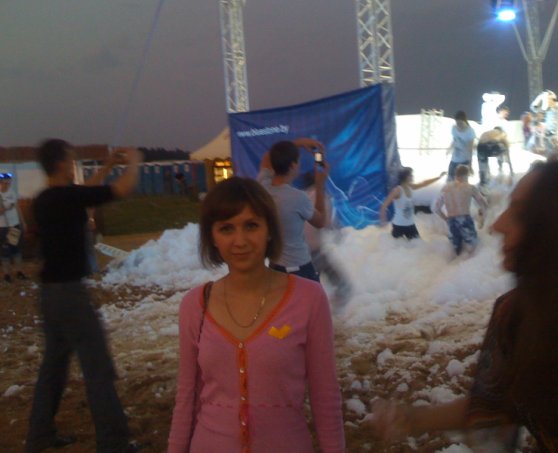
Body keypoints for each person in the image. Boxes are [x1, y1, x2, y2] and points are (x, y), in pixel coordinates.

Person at [373, 160, 558, 451]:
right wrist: (413, 419)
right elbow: (494, 404)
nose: (497, 225)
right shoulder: (514, 314)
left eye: (519, 213)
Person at [168, 177, 345, 453]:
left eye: (251, 225)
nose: (240, 241)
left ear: (270, 230)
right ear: (212, 237)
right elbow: (186, 398)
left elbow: (325, 397)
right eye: (226, 228)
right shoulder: (195, 305)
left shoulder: (308, 299)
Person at [26, 139, 145, 453]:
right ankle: (114, 443)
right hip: (70, 296)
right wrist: (134, 161)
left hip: (49, 295)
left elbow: (82, 194)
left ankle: (39, 436)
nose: (74, 163)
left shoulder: (45, 200)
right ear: (61, 163)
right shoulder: (67, 198)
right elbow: (122, 189)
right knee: (97, 368)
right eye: (71, 159)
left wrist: (107, 166)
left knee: (53, 368)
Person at [257, 138, 328, 281]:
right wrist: (319, 184)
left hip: (274, 265)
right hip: (299, 267)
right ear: (293, 165)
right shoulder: (297, 197)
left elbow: (267, 157)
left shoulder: (262, 187)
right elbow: (320, 222)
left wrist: (298, 143)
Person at [300, 172, 352, 309]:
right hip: (314, 251)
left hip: (298, 252)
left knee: (306, 286)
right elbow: (326, 222)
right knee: (343, 285)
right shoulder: (321, 197)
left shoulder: (299, 197)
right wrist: (338, 231)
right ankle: (332, 311)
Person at [434, 165, 487, 257]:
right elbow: (484, 204)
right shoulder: (470, 187)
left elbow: (436, 208)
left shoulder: (445, 188)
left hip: (451, 221)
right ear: (466, 175)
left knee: (456, 251)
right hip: (465, 220)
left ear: (456, 175)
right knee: (473, 250)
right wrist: (481, 219)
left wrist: (446, 219)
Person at [380, 167, 446, 240]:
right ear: (406, 177)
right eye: (411, 175)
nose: (413, 177)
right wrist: (383, 222)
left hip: (410, 225)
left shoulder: (411, 187)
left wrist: (438, 177)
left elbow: (424, 183)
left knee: (419, 245)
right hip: (399, 226)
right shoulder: (397, 190)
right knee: (396, 246)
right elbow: (383, 206)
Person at [0, 172, 27, 283]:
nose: (7, 185)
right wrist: (6, 208)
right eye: (5, 183)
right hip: (3, 227)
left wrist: (22, 222)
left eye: (9, 183)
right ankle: (7, 274)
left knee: (16, 249)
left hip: (14, 225)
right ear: (0, 183)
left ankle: (19, 271)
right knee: (5, 251)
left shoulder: (12, 192)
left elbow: (17, 208)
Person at [447, 111, 476, 181]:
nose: (458, 125)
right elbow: (454, 140)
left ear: (464, 121)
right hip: (454, 160)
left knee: (462, 183)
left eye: (460, 123)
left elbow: (470, 149)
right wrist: (449, 148)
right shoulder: (454, 128)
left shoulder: (470, 132)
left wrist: (470, 165)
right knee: (450, 181)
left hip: (464, 161)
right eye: (457, 123)